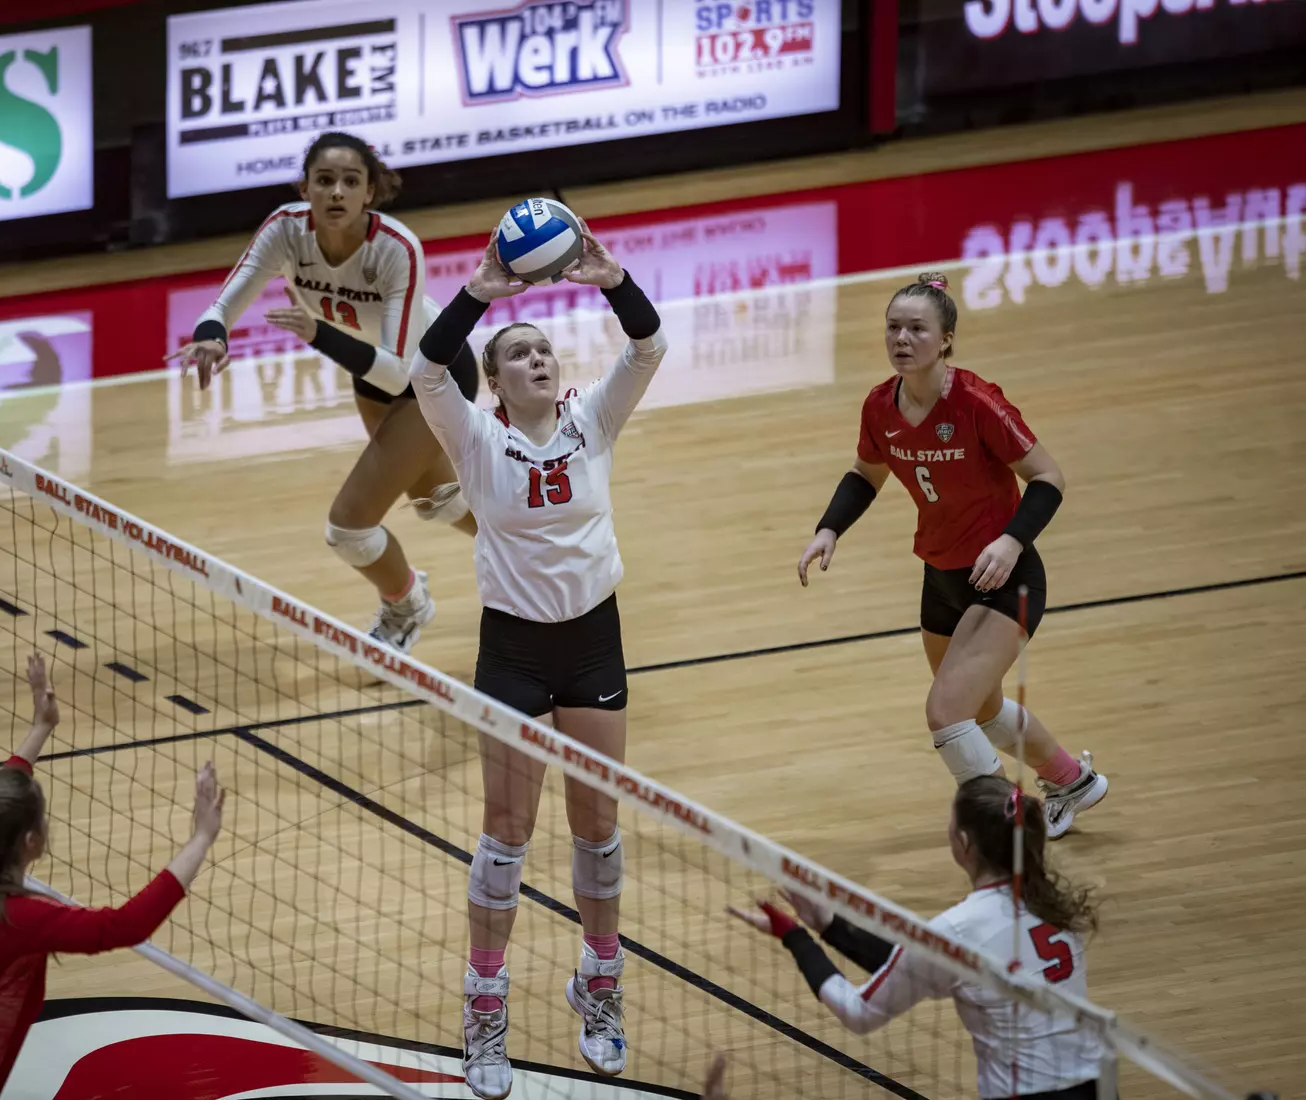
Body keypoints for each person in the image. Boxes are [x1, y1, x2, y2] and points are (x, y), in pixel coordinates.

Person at [408, 226, 666, 1098]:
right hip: (512, 650)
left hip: (594, 638)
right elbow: (426, 369)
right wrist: (481, 293)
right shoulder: (475, 440)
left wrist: (612, 279)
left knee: (597, 830)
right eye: (519, 354)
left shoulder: (593, 420)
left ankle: (600, 983)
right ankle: (485, 1004)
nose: (538, 359)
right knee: (507, 838)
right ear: (496, 382)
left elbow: (650, 343)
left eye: (544, 349)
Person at [796, 272, 1106, 838]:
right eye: (893, 328)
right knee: (980, 710)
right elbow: (867, 473)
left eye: (917, 329)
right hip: (939, 575)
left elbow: (1048, 478)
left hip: (1003, 577)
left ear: (945, 340)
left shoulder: (977, 401)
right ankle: (1071, 781)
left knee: (946, 713)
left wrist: (1012, 539)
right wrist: (829, 528)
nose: (902, 339)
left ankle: (1012, 832)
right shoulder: (879, 405)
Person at [0, 654, 227, 1100]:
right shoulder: (12, 920)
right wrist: (201, 838)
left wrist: (42, 725)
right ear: (32, 842)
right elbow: (125, 926)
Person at [170, 132, 480, 653]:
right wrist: (210, 337)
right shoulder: (285, 231)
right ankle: (535, 545)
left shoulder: (396, 248)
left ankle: (406, 605)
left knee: (350, 527)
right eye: (325, 180)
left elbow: (399, 373)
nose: (337, 192)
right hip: (370, 372)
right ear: (305, 188)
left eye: (350, 182)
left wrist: (319, 335)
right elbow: (222, 304)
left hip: (430, 374)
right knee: (437, 499)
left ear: (369, 193)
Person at [731, 775, 1107, 1100]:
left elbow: (859, 1013)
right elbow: (921, 967)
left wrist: (795, 937)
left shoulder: (960, 928)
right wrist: (832, 926)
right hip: (1098, 1086)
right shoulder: (1052, 904)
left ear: (963, 842)